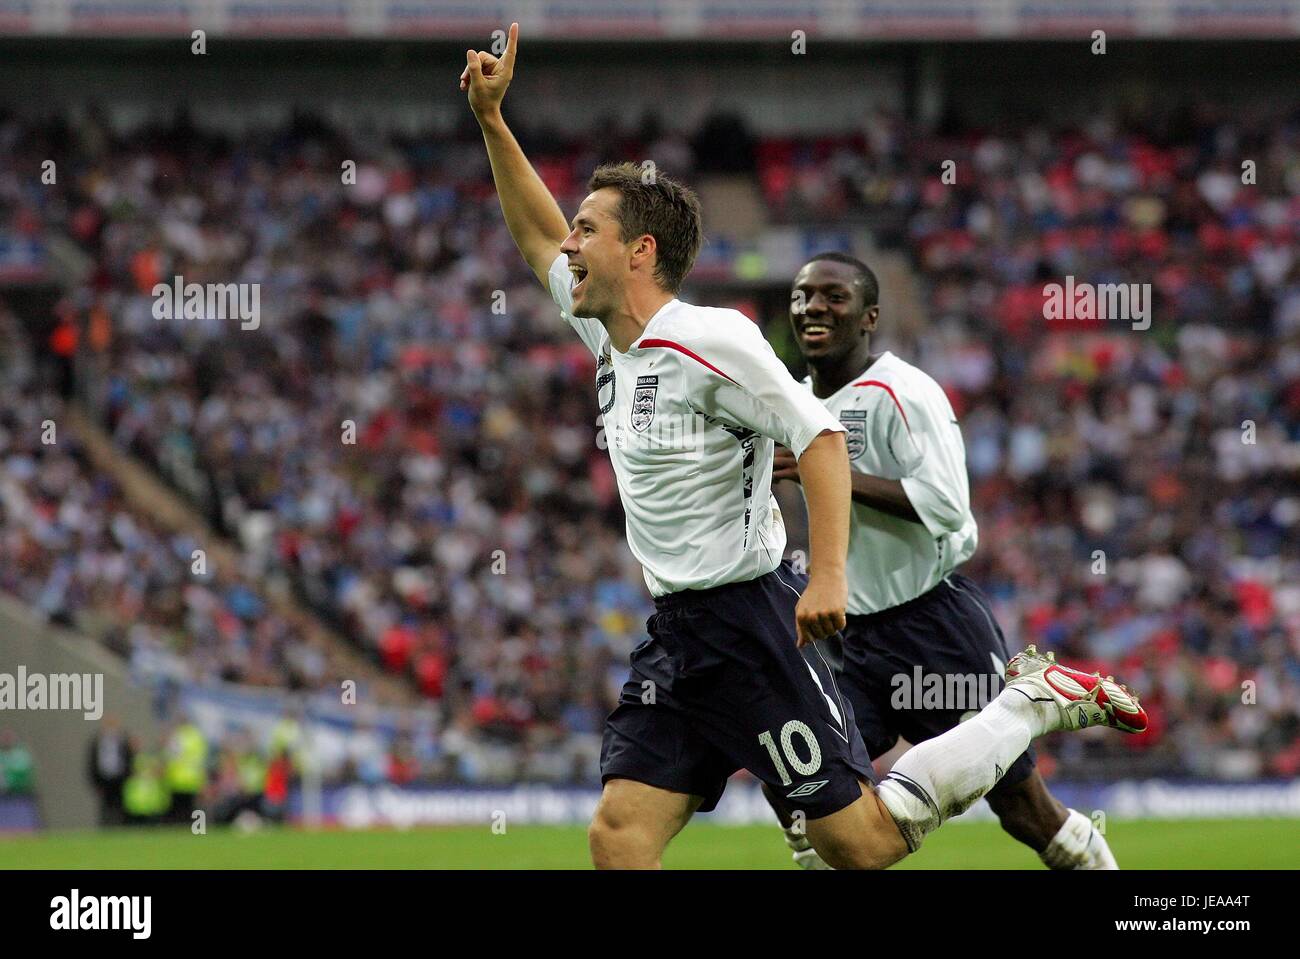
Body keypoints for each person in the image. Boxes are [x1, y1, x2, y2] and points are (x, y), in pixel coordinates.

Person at [460, 23, 1147, 869]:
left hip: (749, 621)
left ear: (639, 251)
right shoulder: (612, 338)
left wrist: (824, 574)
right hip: (677, 631)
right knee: (618, 834)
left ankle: (1029, 703)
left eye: (587, 231)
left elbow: (819, 436)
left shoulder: (712, 338)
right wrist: (494, 121)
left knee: (854, 845)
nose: (567, 246)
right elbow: (532, 233)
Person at [765, 252, 1118, 869]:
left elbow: (950, 506)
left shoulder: (904, 391)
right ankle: (810, 853)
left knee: (1022, 809)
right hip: (849, 631)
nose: (812, 307)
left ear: (869, 315)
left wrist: (834, 473)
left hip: (933, 625)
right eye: (801, 297)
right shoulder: (793, 400)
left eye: (832, 296)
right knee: (805, 773)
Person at [87, 714, 133, 826]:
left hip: (120, 778)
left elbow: (129, 760)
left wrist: (128, 776)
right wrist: (95, 781)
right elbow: (92, 763)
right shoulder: (97, 742)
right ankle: (106, 826)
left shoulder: (123, 741)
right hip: (104, 778)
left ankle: (121, 826)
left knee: (120, 804)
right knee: (105, 805)